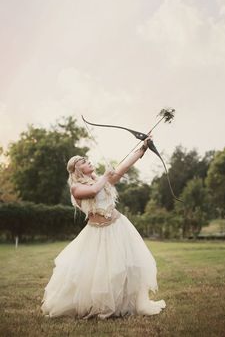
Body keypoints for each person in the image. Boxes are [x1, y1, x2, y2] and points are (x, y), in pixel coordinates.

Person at [41, 137, 166, 319]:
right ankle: (99, 305)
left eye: (87, 159)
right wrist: (106, 176)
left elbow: (123, 167)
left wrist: (143, 149)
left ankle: (128, 304)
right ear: (76, 169)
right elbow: (92, 192)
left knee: (128, 266)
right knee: (96, 272)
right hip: (95, 232)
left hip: (118, 227)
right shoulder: (76, 188)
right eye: (84, 161)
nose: (89, 161)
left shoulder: (102, 180)